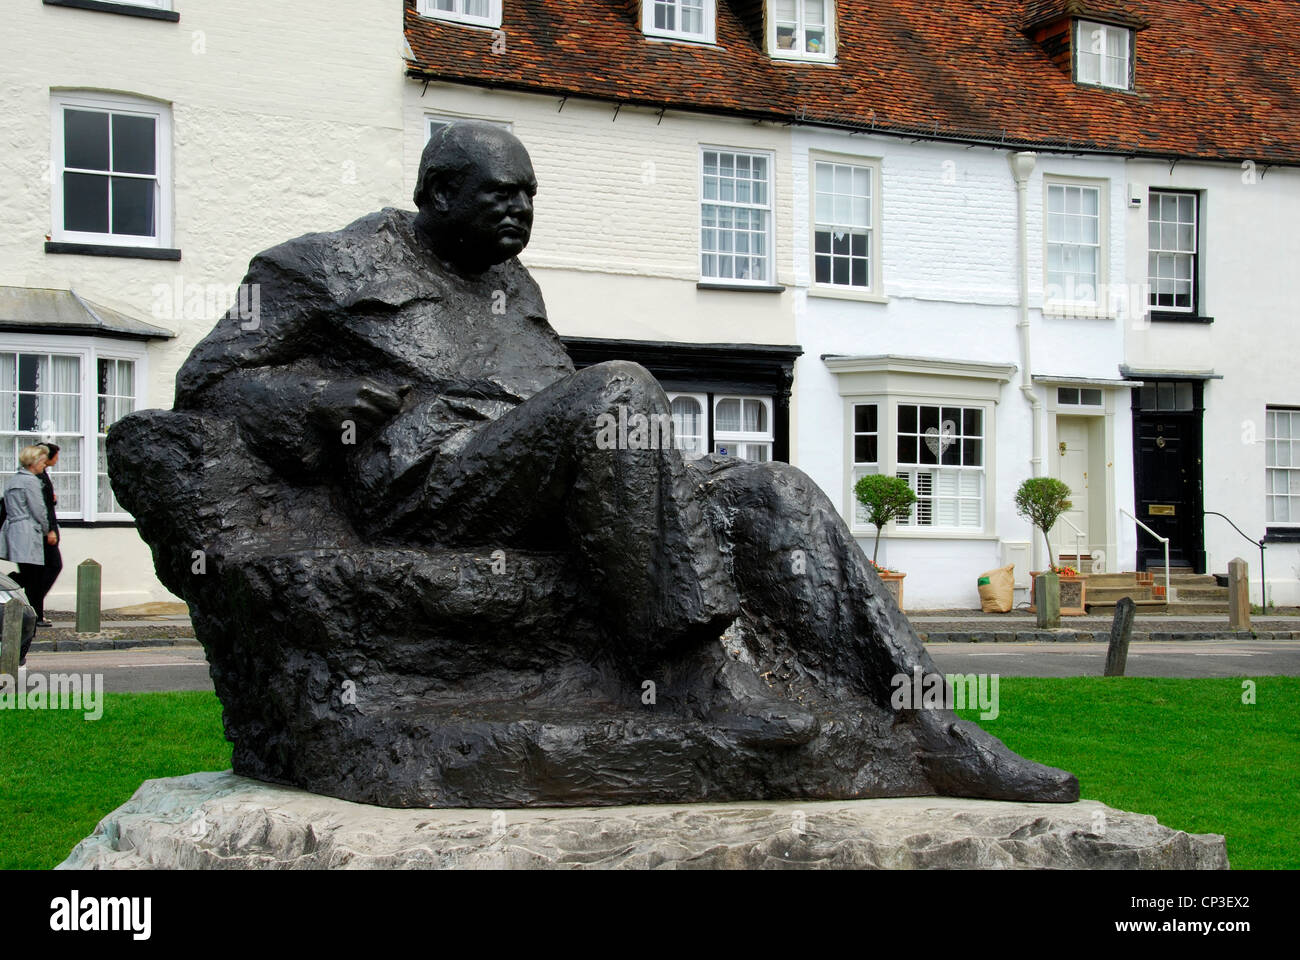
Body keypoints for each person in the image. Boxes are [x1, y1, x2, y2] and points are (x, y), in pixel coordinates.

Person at [149, 122, 1076, 802]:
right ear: (436, 198)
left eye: (530, 198)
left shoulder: (515, 283)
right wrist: (315, 400)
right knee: (621, 388)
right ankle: (697, 675)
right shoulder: (323, 267)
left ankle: (930, 722)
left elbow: (557, 397)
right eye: (498, 196)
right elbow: (207, 383)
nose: (519, 212)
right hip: (437, 484)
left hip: (547, 474)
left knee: (773, 491)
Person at [0, 446, 50, 623]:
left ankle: (33, 613)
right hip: (28, 531)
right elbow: (38, 509)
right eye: (43, 462)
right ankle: (34, 615)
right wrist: (46, 529)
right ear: (34, 463)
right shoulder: (31, 482)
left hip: (14, 530)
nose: (44, 466)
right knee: (35, 577)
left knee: (29, 574)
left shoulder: (13, 481)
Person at [30, 443, 63, 627]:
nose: (57, 459)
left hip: (47, 528)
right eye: (55, 456)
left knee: (44, 571)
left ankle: (37, 612)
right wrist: (49, 530)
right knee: (53, 566)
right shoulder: (38, 478)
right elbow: (40, 508)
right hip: (44, 531)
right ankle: (32, 603)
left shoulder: (42, 477)